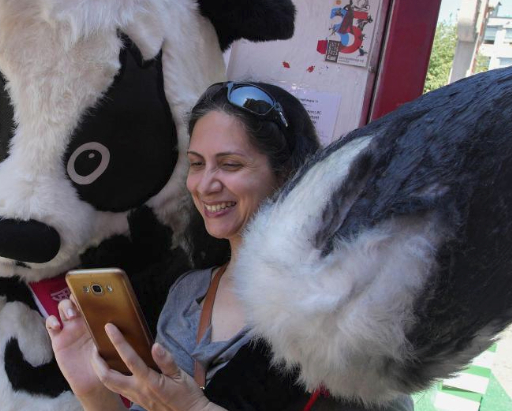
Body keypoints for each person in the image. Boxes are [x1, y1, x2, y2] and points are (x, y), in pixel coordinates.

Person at [47, 82, 413, 410]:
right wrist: (95, 391)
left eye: (230, 164)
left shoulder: (338, 307)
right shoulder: (186, 295)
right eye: (197, 164)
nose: (205, 185)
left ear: (287, 174)